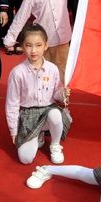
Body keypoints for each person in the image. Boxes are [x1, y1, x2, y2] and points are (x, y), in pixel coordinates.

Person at [3, 0, 88, 82]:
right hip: (42, 43)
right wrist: (10, 38)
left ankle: (61, 93)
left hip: (62, 40)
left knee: (62, 72)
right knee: (42, 75)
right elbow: (20, 19)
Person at [5, 24, 72, 165]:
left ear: (46, 46)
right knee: (25, 159)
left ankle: (55, 144)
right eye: (28, 45)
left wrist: (63, 93)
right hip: (27, 115)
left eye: (38, 45)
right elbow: (12, 104)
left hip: (48, 111)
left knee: (55, 114)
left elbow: (56, 94)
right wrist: (13, 130)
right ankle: (38, 132)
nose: (33, 50)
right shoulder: (17, 73)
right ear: (22, 46)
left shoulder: (52, 69)